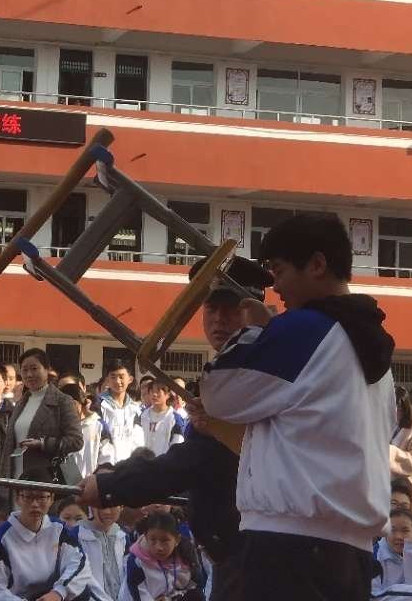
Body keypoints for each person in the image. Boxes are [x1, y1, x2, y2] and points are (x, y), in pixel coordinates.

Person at [200, 212, 395, 599]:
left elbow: (217, 393)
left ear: (317, 265)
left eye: (281, 271)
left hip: (289, 544)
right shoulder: (374, 349)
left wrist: (256, 332)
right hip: (350, 549)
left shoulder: (306, 327)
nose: (277, 289)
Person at [82, 255, 273, 600]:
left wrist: (111, 484)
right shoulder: (233, 367)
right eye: (210, 309)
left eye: (230, 309)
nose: (218, 319)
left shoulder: (253, 369)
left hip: (256, 549)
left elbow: (197, 458)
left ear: (254, 311)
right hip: (243, 546)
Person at [0, 487, 92, 600]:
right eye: (28, 497)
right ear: (18, 499)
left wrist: (58, 593)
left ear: (51, 499)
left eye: (41, 497)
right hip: (16, 597)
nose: (34, 504)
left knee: (82, 591)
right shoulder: (1, 537)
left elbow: (79, 563)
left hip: (52, 595)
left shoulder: (59, 528)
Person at [2, 348, 82, 481]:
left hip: (45, 479)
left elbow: (76, 441)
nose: (29, 374)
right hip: (14, 477)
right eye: (24, 370)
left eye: (34, 368)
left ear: (47, 370)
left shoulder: (62, 401)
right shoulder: (21, 402)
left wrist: (43, 444)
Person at [121, 510, 205, 601]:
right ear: (146, 537)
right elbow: (137, 594)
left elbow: (196, 585)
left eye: (165, 540)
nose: (159, 547)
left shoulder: (185, 554)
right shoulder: (137, 562)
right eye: (153, 540)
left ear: (177, 540)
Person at [370, 508, 412, 598]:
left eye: (405, 531)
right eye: (393, 530)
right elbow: (373, 595)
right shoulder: (375, 556)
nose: (398, 536)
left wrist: (410, 553)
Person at [96, 360, 144, 463]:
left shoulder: (135, 408)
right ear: (107, 380)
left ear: (130, 379)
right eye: (113, 377)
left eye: (121, 377)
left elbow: (138, 440)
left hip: (128, 467)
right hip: (103, 466)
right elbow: (99, 436)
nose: (117, 381)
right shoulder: (98, 404)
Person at [136, 380, 183, 458]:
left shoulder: (174, 418)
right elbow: (135, 440)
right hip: (143, 464)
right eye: (151, 391)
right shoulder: (142, 415)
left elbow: (177, 444)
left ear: (167, 395)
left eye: (158, 391)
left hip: (164, 465)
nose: (154, 394)